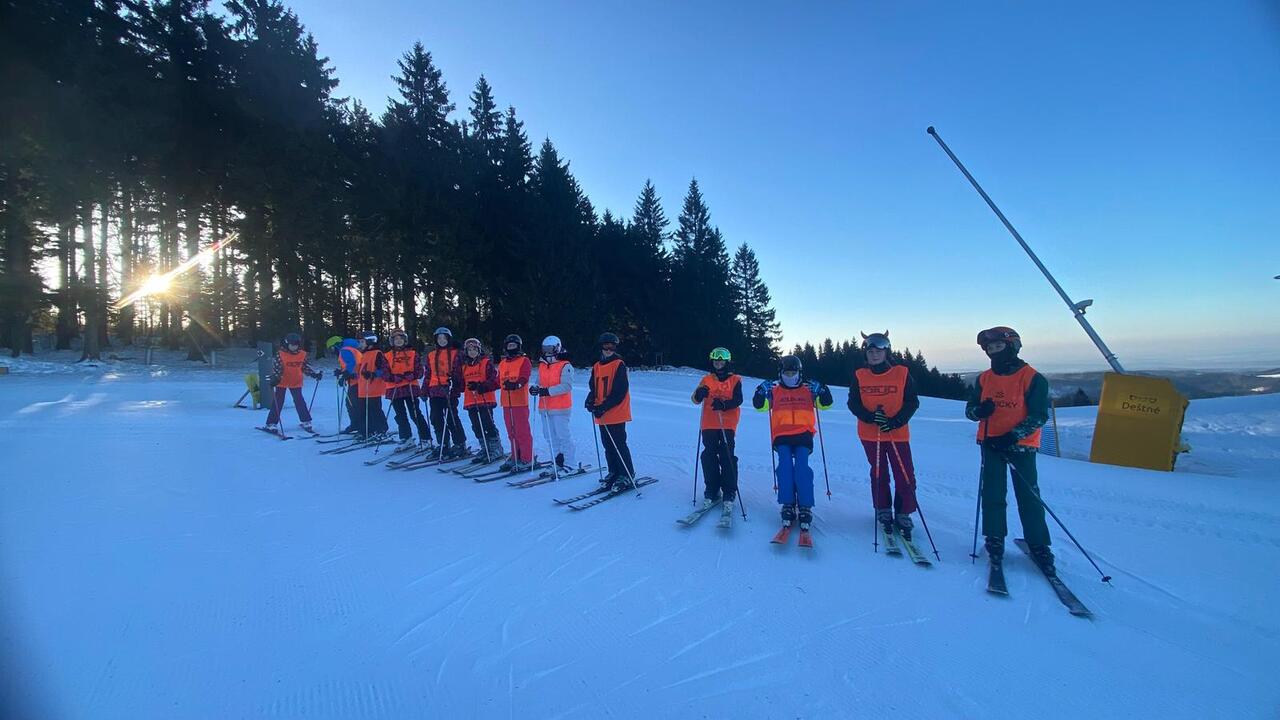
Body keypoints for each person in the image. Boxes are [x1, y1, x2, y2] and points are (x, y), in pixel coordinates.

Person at [965, 326, 1054, 574]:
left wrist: (1012, 436)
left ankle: (1038, 543)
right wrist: (979, 411)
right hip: (990, 443)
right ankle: (994, 537)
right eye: (990, 348)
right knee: (992, 493)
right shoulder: (984, 379)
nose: (994, 352)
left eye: (999, 346)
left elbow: (1039, 415)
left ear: (1012, 346)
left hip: (1021, 446)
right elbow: (970, 410)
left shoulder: (1032, 378)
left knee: (1028, 496)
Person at [847, 331, 921, 541]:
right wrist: (870, 417)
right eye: (870, 351)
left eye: (878, 351)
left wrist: (896, 421)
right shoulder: (860, 375)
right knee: (879, 472)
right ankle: (883, 509)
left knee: (904, 474)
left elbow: (912, 401)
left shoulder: (902, 373)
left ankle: (903, 512)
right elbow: (853, 403)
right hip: (871, 434)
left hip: (897, 433)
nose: (874, 355)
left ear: (886, 352)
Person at [752, 355, 833, 531]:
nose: (790, 376)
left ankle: (805, 505)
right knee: (785, 468)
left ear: (799, 373)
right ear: (780, 374)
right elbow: (760, 406)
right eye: (786, 373)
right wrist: (759, 391)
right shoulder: (774, 391)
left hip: (803, 435)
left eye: (793, 373)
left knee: (802, 468)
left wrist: (823, 390)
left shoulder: (808, 390)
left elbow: (826, 404)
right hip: (782, 436)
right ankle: (787, 503)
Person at [690, 347, 742, 515]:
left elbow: (738, 399)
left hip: (727, 424)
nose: (718, 363)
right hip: (709, 424)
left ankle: (729, 491)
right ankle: (712, 490)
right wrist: (700, 393)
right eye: (716, 360)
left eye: (721, 360)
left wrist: (724, 404)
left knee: (727, 456)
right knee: (709, 456)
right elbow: (694, 399)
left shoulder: (735, 379)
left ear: (727, 362)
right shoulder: (706, 379)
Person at [585, 332, 635, 488]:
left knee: (619, 444)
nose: (608, 349)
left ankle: (626, 474)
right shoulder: (597, 366)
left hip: (616, 412)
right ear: (601, 347)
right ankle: (614, 471)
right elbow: (593, 387)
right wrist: (590, 400)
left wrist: (604, 406)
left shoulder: (619, 364)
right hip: (602, 413)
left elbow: (620, 391)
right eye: (606, 346)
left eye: (611, 346)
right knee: (607, 445)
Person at [529, 335, 577, 473]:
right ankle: (557, 461)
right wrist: (535, 388)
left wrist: (547, 391)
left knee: (563, 436)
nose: (547, 352)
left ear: (557, 348)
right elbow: (539, 381)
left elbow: (567, 386)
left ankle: (570, 463)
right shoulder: (543, 364)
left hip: (560, 407)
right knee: (550, 436)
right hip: (545, 407)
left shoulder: (565, 365)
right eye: (545, 349)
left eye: (550, 349)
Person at [380, 329, 434, 451]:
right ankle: (406, 438)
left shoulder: (413, 353)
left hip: (410, 387)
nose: (398, 341)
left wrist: (413, 375)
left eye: (401, 338)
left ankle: (426, 438)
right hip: (395, 388)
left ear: (405, 340)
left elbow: (420, 371)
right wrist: (393, 377)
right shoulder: (387, 355)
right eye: (396, 339)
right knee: (400, 415)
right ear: (392, 341)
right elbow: (384, 373)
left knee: (415, 413)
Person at [264, 332, 323, 433]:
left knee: (299, 401)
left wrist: (314, 374)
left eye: (296, 345)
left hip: (296, 381)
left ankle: (306, 421)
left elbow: (304, 367)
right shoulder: (281, 354)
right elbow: (277, 368)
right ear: (287, 344)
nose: (294, 347)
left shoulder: (302, 354)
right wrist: (275, 378)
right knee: (278, 401)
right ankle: (271, 423)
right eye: (292, 345)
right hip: (282, 381)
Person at [423, 327, 468, 460]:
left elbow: (459, 371)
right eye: (439, 338)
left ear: (449, 339)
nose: (442, 340)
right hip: (434, 390)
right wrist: (424, 390)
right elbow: (428, 374)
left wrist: (456, 386)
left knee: (451, 417)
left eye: (444, 338)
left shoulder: (456, 353)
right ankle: (443, 443)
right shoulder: (431, 355)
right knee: (435, 418)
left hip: (449, 390)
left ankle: (460, 443)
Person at [461, 337, 504, 462]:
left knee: (487, 423)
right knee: (476, 425)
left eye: (474, 349)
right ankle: (485, 447)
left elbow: (494, 381)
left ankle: (496, 448)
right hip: (470, 401)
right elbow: (461, 384)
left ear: (479, 350)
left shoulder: (486, 363)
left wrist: (480, 386)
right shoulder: (464, 366)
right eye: (469, 350)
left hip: (485, 399)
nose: (472, 352)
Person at [497, 334, 534, 472]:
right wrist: (482, 386)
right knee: (511, 431)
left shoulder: (524, 360)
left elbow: (524, 377)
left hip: (519, 402)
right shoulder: (502, 363)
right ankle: (515, 455)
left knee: (522, 431)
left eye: (514, 346)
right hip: (506, 402)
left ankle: (527, 458)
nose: (511, 348)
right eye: (509, 346)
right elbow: (497, 380)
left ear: (518, 347)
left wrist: (516, 384)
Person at [355, 331, 389, 439]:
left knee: (375, 410)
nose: (360, 344)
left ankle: (381, 430)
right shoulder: (363, 354)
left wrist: (373, 374)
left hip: (373, 388)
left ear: (370, 342)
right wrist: (347, 374)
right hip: (363, 389)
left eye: (362, 342)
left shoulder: (377, 353)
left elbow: (384, 370)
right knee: (363, 411)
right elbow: (359, 370)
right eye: (359, 342)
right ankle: (366, 431)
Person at [334, 338, 361, 434]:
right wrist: (341, 371)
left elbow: (351, 364)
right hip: (357, 379)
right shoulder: (353, 349)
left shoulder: (344, 350)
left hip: (355, 380)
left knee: (352, 404)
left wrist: (345, 375)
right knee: (353, 403)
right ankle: (357, 424)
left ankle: (357, 425)